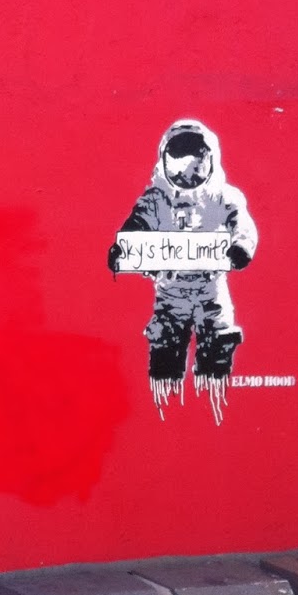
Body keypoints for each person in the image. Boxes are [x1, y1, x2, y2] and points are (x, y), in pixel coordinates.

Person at [109, 120, 257, 398]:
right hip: (170, 291)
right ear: (165, 161)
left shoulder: (224, 197)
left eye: (195, 168)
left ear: (210, 159)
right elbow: (138, 223)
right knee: (165, 342)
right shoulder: (156, 199)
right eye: (179, 169)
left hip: (211, 289)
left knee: (218, 339)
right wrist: (125, 247)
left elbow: (243, 225)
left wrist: (241, 247)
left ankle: (214, 393)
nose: (187, 177)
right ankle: (166, 396)